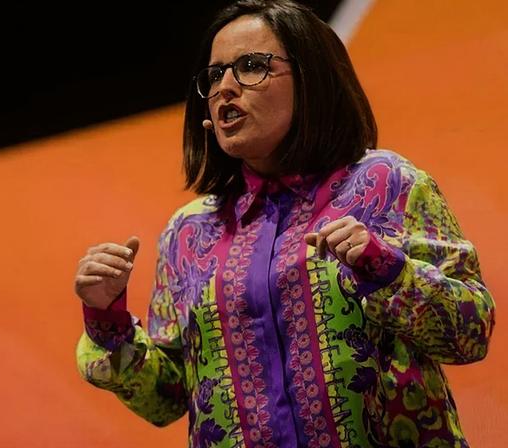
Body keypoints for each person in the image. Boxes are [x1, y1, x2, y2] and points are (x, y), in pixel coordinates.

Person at [73, 1, 496, 447]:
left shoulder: (387, 184)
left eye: (251, 66)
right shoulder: (190, 232)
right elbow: (166, 399)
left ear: (312, 79)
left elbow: (469, 333)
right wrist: (106, 318)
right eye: (214, 75)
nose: (225, 88)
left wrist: (386, 268)